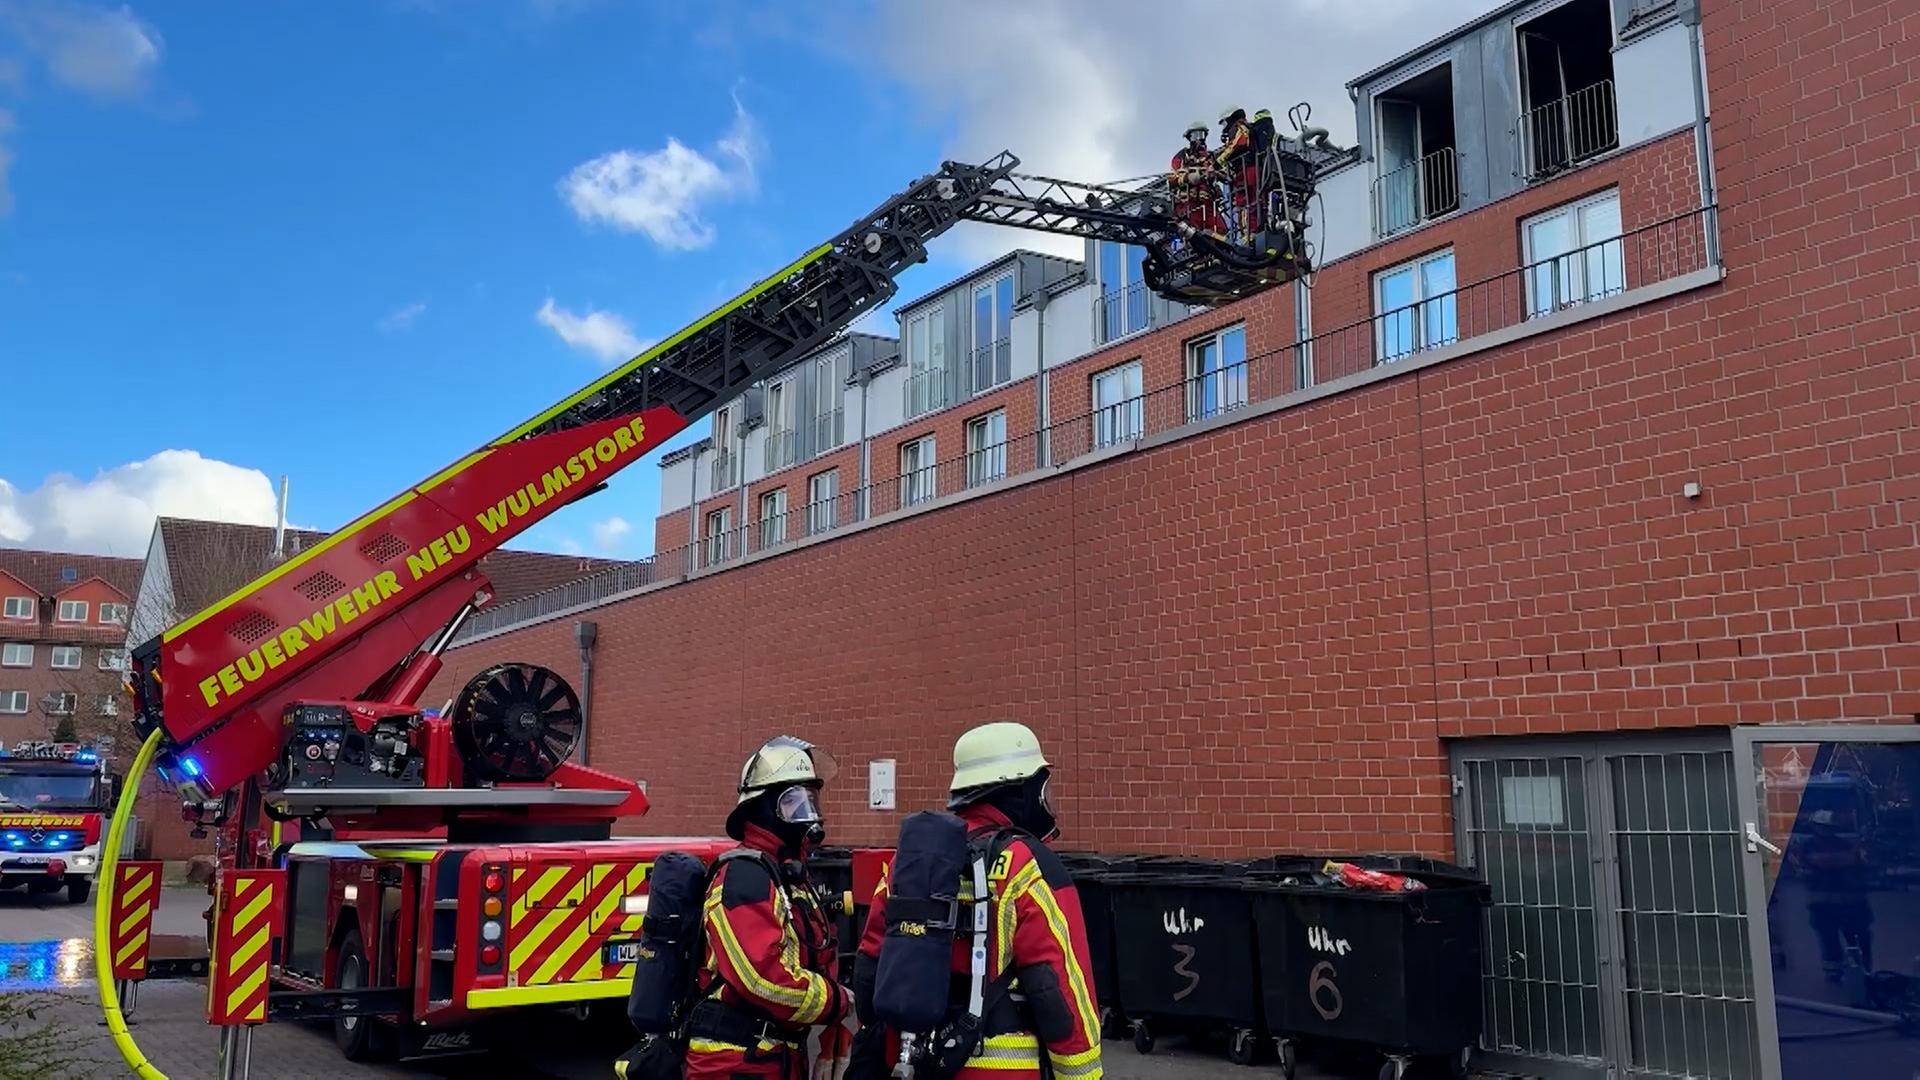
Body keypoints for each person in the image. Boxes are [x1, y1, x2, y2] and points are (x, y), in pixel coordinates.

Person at [854, 722, 1103, 1080]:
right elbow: (1061, 987)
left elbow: (868, 967)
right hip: (1003, 1067)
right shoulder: (1026, 864)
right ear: (1018, 790)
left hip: (914, 1064)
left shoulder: (906, 863)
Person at [687, 736, 849, 1080]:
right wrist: (840, 1003)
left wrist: (834, 1040)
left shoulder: (786, 876)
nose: (808, 816)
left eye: (811, 801)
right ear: (762, 808)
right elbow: (762, 980)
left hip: (773, 1058)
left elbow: (820, 957)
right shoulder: (745, 877)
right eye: (794, 803)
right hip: (734, 1063)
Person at [1168, 120, 1220, 233]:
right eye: (1196, 135)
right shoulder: (1182, 156)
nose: (1199, 139)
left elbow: (1224, 174)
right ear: (1189, 138)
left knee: (1219, 230)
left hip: (1208, 202)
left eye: (1201, 135)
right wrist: (1188, 178)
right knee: (1193, 232)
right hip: (1188, 203)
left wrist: (1214, 174)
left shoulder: (1211, 156)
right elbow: (1172, 180)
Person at [1214, 106, 1255, 241]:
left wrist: (1217, 162)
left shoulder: (1241, 128)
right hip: (1241, 172)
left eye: (1225, 122)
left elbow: (1237, 144)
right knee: (1245, 203)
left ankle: (1249, 234)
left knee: (1246, 202)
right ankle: (1247, 235)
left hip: (1246, 169)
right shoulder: (1243, 128)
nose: (1225, 127)